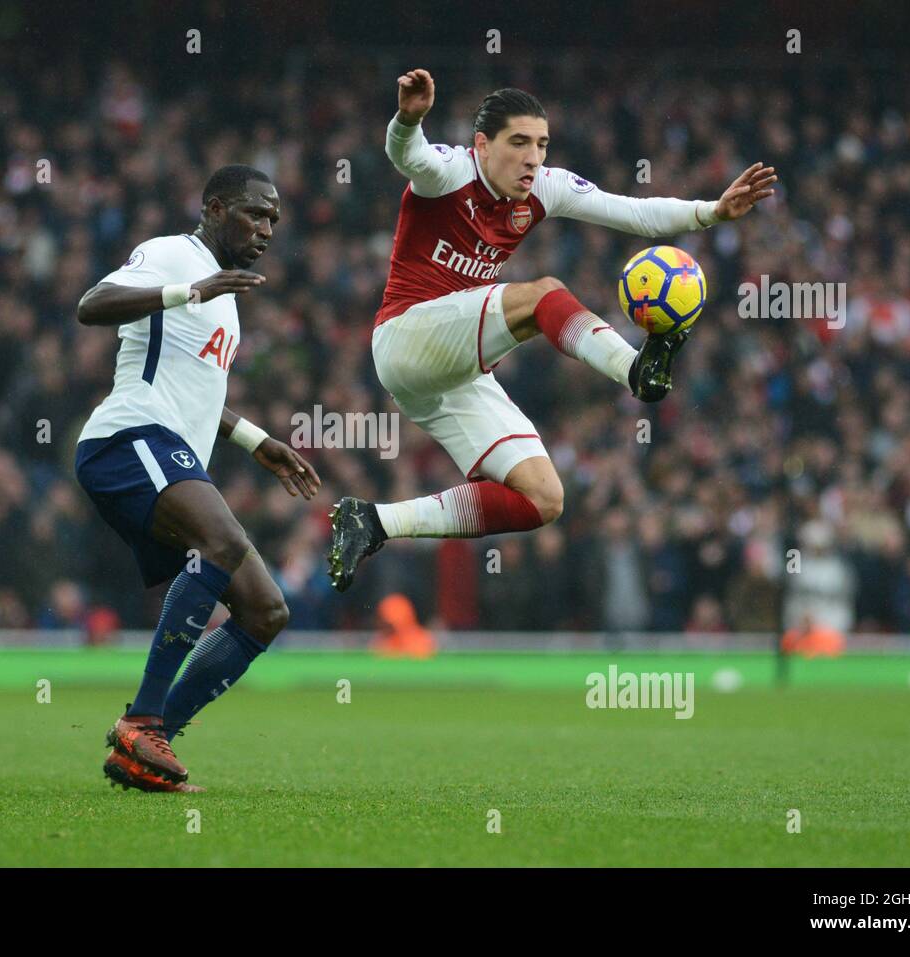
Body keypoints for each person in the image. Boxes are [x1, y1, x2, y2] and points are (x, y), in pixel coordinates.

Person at [328, 69, 775, 591]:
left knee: (542, 498)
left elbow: (630, 212)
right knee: (541, 294)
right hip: (405, 336)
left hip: (449, 371)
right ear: (481, 144)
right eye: (518, 142)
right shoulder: (450, 172)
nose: (533, 156)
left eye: (541, 144)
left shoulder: (545, 186)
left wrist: (711, 211)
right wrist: (407, 119)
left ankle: (375, 521)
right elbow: (409, 156)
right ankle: (635, 370)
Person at [75, 164, 321, 792]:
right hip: (127, 438)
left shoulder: (224, 301)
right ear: (214, 207)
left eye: (273, 220)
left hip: (168, 448)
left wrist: (254, 438)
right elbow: (91, 306)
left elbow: (200, 394)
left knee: (266, 610)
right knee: (226, 543)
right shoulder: (170, 256)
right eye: (254, 213)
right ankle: (144, 724)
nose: (266, 228)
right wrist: (188, 292)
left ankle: (143, 742)